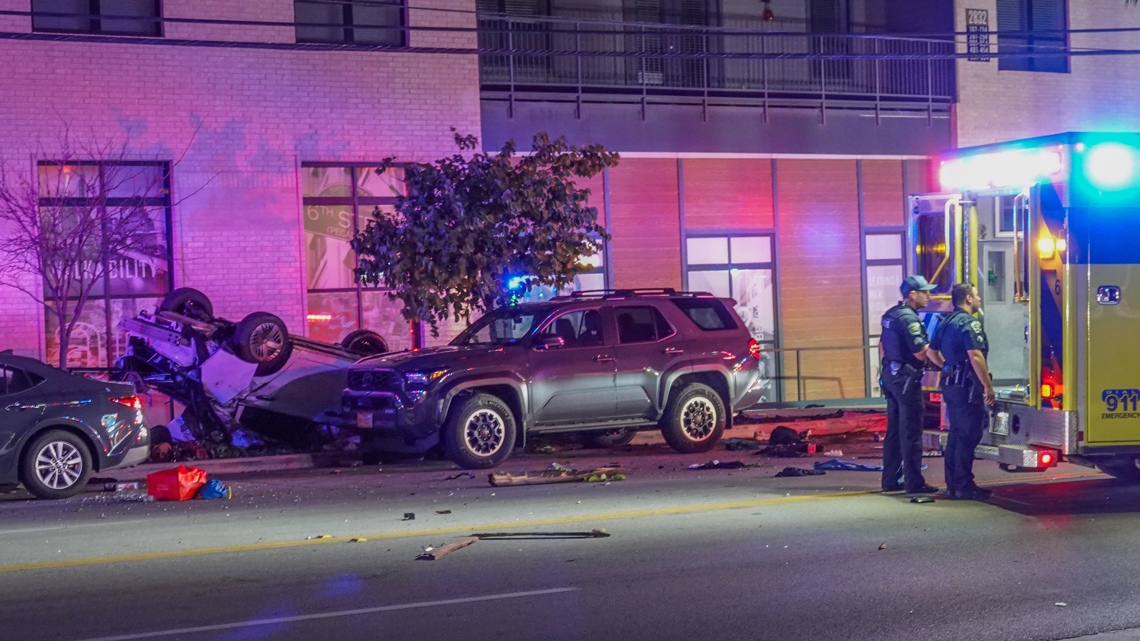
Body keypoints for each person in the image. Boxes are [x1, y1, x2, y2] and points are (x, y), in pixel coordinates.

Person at [928, 282, 995, 501]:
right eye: (976, 295)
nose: (979, 299)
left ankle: (953, 485)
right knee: (968, 435)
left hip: (950, 386)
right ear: (968, 299)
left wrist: (948, 367)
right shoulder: (969, 323)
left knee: (956, 435)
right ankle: (964, 486)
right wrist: (987, 386)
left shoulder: (946, 321)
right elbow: (975, 356)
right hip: (967, 388)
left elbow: (931, 352)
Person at [878, 275, 939, 495]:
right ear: (912, 294)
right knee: (911, 432)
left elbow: (881, 346)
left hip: (892, 376)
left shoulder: (892, 314)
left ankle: (890, 479)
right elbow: (920, 353)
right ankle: (914, 483)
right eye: (924, 292)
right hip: (906, 380)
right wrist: (939, 353)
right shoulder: (909, 319)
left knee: (894, 431)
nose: (928, 296)